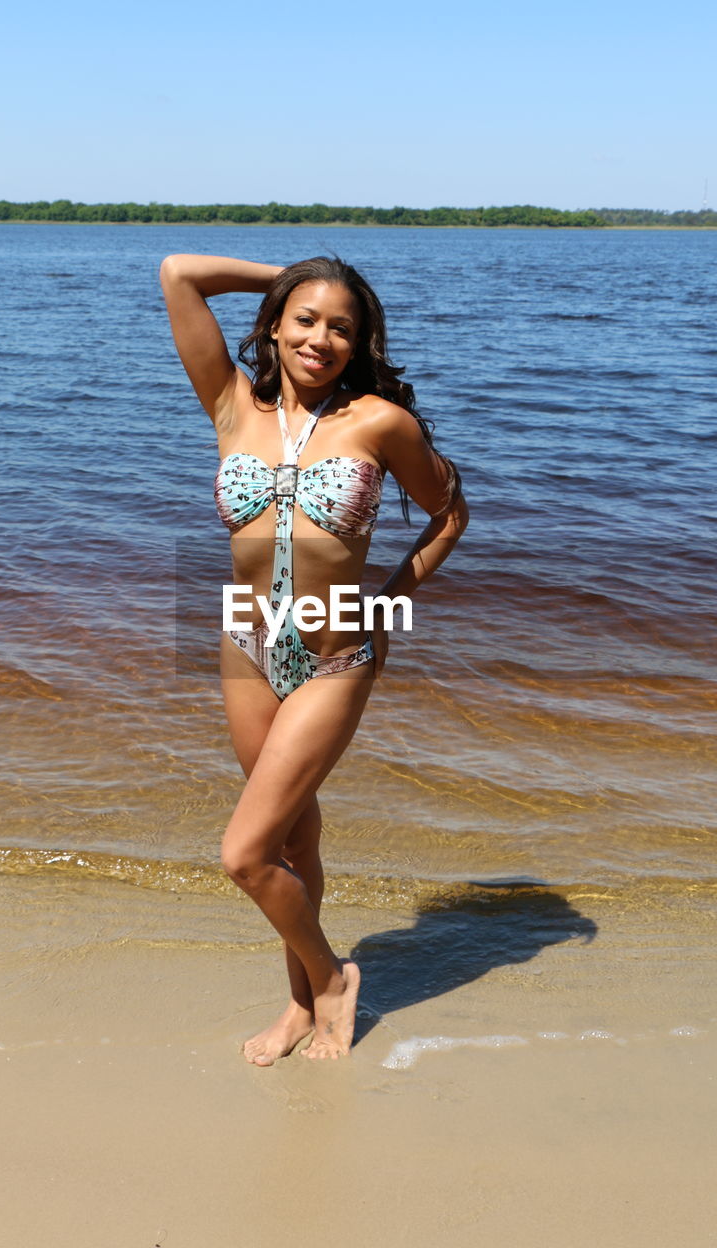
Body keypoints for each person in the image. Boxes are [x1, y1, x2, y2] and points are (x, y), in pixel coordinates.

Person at [160, 253, 468, 1065]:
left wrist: (390, 595)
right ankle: (298, 1005)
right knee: (293, 844)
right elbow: (178, 274)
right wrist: (294, 276)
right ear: (272, 323)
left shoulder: (377, 422)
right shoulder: (230, 404)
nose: (320, 338)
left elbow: (447, 514)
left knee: (244, 854)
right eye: (304, 318)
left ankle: (332, 981)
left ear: (359, 341)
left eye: (342, 325)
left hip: (335, 658)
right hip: (245, 646)